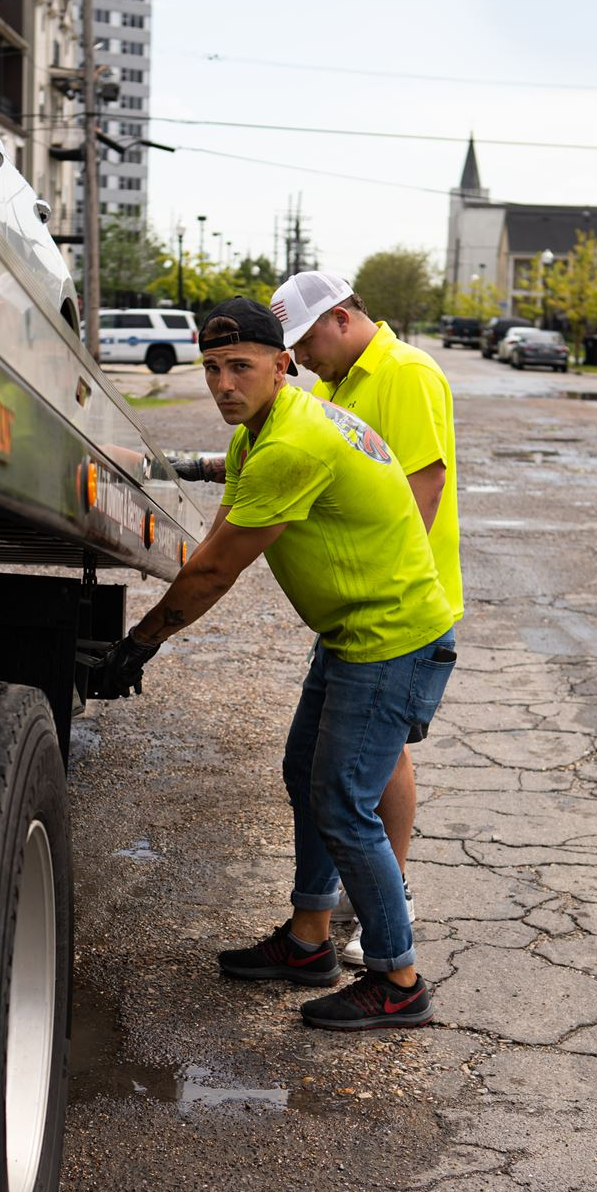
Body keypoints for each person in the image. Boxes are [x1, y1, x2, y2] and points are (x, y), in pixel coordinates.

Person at [100, 297, 456, 1031]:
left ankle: (399, 977)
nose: (224, 384)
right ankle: (308, 940)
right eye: (212, 369)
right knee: (307, 775)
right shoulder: (265, 434)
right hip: (355, 634)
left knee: (343, 802)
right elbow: (220, 529)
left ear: (282, 365)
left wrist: (140, 642)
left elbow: (213, 572)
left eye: (241, 367)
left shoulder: (293, 443)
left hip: (392, 640)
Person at [268, 271, 463, 966]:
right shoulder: (334, 386)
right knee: (345, 763)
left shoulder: (405, 371)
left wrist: (383, 582)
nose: (301, 358)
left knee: (369, 767)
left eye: (305, 341)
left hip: (399, 604)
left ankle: (391, 899)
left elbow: (425, 481)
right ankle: (321, 923)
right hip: (361, 608)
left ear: (342, 318)